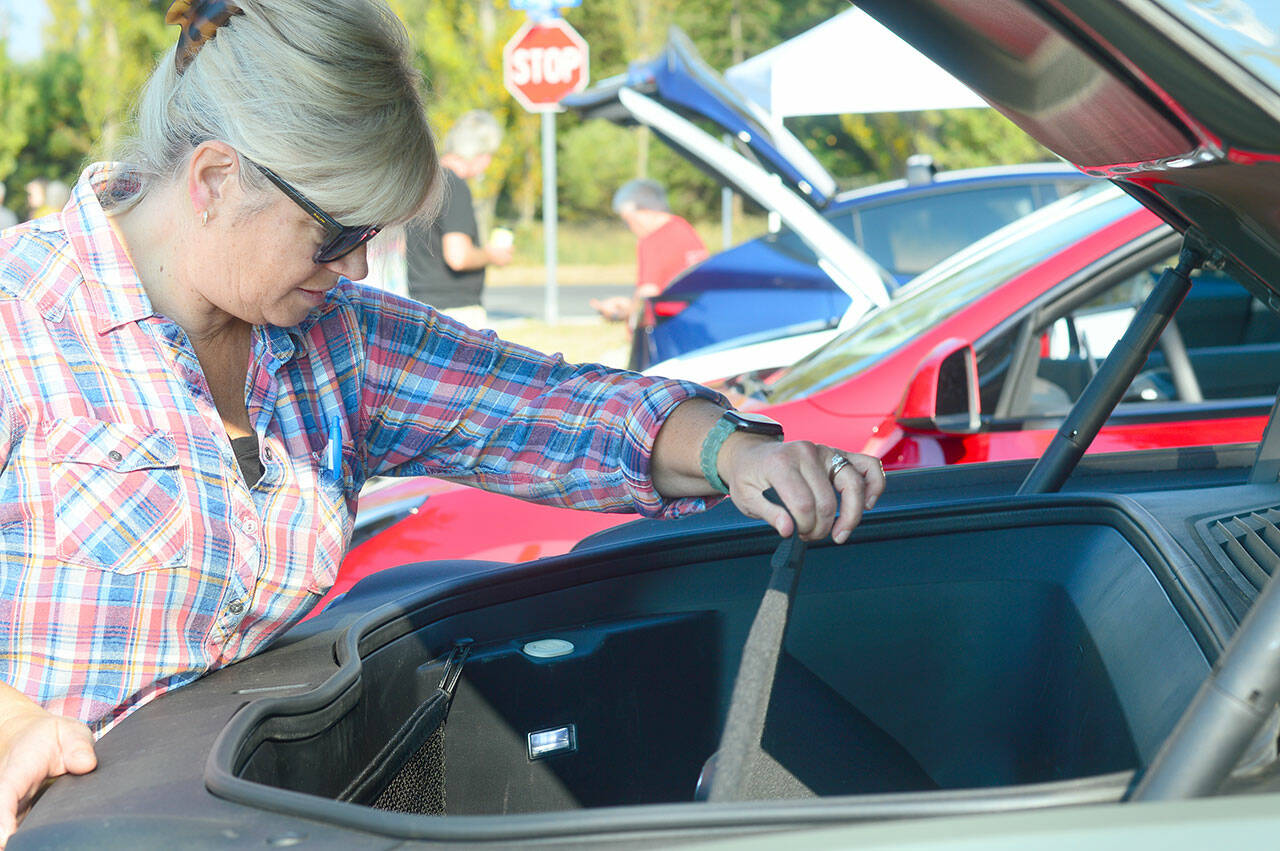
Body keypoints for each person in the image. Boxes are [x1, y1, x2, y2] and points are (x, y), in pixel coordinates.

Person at [0, 0, 884, 842]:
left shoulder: (334, 341)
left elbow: (548, 408)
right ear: (217, 180)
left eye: (375, 237)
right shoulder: (20, 317)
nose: (354, 268)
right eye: (337, 233)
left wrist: (732, 450)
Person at [403, 109, 512, 328]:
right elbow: (458, 257)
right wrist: (491, 255)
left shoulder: (422, 182)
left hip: (420, 303)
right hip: (456, 309)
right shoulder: (455, 185)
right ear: (479, 153)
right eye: (489, 155)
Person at [591, 178, 709, 323]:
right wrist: (626, 306)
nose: (630, 227)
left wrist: (617, 314)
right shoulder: (683, 227)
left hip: (669, 327)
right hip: (696, 319)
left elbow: (647, 299)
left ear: (644, 211)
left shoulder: (652, 240)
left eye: (628, 220)